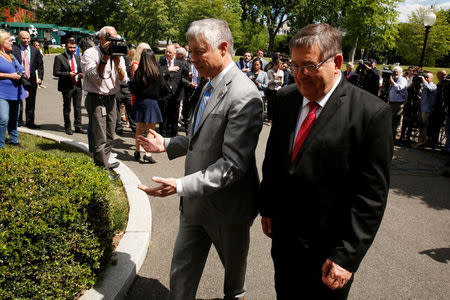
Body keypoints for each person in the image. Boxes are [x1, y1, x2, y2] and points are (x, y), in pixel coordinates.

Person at [259, 23, 393, 299]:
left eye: (308, 66)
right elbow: (274, 161)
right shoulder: (285, 100)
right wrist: (268, 207)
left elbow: (371, 196)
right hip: (285, 241)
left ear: (337, 63)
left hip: (329, 251)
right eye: (293, 66)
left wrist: (347, 256)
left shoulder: (371, 113)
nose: (299, 75)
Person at [137, 18, 263, 300]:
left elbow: (232, 165)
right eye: (189, 52)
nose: (191, 59)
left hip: (228, 210)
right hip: (194, 206)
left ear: (223, 48)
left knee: (234, 286)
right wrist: (168, 144)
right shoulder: (207, 85)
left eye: (198, 52)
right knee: (181, 276)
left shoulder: (245, 95)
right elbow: (202, 137)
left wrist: (180, 185)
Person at [81, 26, 128, 173]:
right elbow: (95, 78)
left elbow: (124, 80)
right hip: (96, 98)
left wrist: (118, 64)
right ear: (102, 39)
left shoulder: (118, 54)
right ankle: (102, 169)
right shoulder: (90, 53)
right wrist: (104, 58)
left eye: (116, 40)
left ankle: (104, 161)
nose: (114, 43)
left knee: (109, 135)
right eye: (111, 40)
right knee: (99, 136)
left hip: (111, 99)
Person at [130, 48, 163, 163]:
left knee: (140, 128)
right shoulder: (157, 72)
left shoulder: (139, 72)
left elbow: (133, 89)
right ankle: (147, 153)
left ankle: (137, 151)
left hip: (141, 102)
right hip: (153, 103)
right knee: (151, 130)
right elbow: (164, 88)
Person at [0, 30, 27, 148]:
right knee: (3, 119)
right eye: (9, 40)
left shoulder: (10, 55)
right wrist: (10, 76)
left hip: (16, 92)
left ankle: (13, 140)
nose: (12, 42)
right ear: (1, 42)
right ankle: (0, 144)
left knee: (14, 118)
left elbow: (20, 69)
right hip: (2, 93)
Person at [53, 37, 85, 135]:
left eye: (74, 48)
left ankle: (78, 126)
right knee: (67, 107)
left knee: (78, 107)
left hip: (77, 85)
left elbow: (80, 69)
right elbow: (56, 72)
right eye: (70, 48)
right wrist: (68, 74)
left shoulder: (77, 57)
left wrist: (81, 74)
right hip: (66, 86)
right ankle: (68, 126)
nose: (72, 50)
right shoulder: (59, 58)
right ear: (66, 47)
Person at [12, 30, 44, 128]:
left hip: (32, 79)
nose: (26, 40)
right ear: (19, 38)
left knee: (31, 102)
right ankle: (18, 121)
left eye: (27, 38)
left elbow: (40, 66)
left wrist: (40, 78)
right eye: (23, 38)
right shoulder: (13, 49)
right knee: (18, 101)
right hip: (19, 79)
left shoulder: (35, 51)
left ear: (30, 39)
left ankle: (30, 122)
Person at [158, 44, 190, 137]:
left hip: (176, 94)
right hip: (164, 94)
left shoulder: (180, 62)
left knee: (175, 116)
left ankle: (173, 135)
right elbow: (158, 74)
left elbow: (186, 72)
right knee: (164, 116)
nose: (167, 54)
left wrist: (190, 74)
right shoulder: (161, 62)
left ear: (175, 53)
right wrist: (168, 70)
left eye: (170, 52)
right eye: (166, 51)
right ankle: (162, 135)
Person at [414, 71, 437, 148]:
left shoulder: (433, 86)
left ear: (432, 78)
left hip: (427, 110)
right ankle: (420, 141)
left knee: (424, 126)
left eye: (427, 77)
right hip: (422, 108)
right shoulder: (424, 86)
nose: (426, 78)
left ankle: (422, 142)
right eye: (425, 77)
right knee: (421, 125)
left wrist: (423, 79)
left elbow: (429, 89)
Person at [388, 66, 407, 143]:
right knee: (391, 120)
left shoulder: (402, 80)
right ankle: (390, 137)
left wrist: (392, 80)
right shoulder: (394, 79)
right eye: (394, 71)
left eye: (397, 71)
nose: (395, 73)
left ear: (401, 73)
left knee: (396, 121)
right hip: (392, 102)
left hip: (398, 104)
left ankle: (394, 138)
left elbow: (398, 87)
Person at [428, 70, 447, 147]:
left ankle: (434, 141)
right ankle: (432, 139)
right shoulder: (439, 84)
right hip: (435, 108)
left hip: (440, 109)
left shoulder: (444, 85)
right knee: (433, 125)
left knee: (437, 126)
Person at [266, 58, 284, 122]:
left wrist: (280, 81)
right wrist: (274, 79)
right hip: (271, 89)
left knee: (276, 105)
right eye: (279, 65)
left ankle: (275, 117)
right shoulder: (269, 71)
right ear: (275, 65)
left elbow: (282, 83)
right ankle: (269, 118)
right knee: (270, 105)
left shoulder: (281, 72)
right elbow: (267, 83)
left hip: (278, 90)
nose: (280, 67)